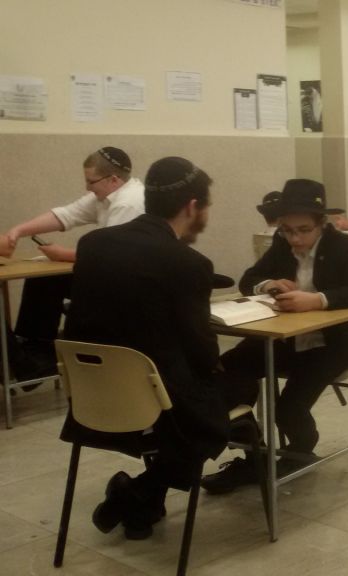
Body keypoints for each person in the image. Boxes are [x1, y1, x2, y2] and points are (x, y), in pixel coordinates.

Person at [61, 156, 228, 540]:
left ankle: (144, 505)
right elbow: (202, 351)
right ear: (192, 207)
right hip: (157, 400)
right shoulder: (188, 263)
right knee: (236, 393)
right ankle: (137, 492)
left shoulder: (92, 244)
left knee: (180, 393)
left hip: (92, 393)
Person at [201, 178, 348, 494]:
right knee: (226, 372)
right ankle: (255, 455)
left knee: (288, 409)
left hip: (332, 343)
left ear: (322, 224)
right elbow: (249, 279)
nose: (295, 238)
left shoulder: (343, 246)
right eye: (287, 230)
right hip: (286, 338)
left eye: (304, 230)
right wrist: (268, 284)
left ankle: (301, 450)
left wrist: (317, 300)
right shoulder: (282, 243)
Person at [1, 147, 145, 380]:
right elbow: (66, 215)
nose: (87, 187)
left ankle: (34, 355)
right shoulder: (105, 196)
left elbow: (108, 253)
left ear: (113, 179)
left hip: (124, 286)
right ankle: (34, 348)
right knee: (44, 278)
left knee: (49, 280)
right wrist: (19, 230)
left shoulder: (130, 203)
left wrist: (63, 254)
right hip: (106, 275)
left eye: (91, 181)